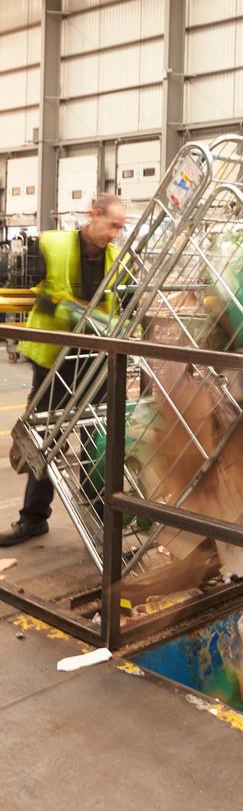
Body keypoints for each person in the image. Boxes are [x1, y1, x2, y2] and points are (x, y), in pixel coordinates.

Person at [0, 194, 127, 547]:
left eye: (120, 227)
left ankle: (101, 514)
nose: (115, 234)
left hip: (96, 363)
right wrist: (64, 306)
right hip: (54, 363)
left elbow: (126, 308)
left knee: (97, 440)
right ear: (93, 214)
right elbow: (32, 288)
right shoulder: (52, 245)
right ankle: (33, 519)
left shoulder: (119, 259)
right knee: (45, 440)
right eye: (112, 224)